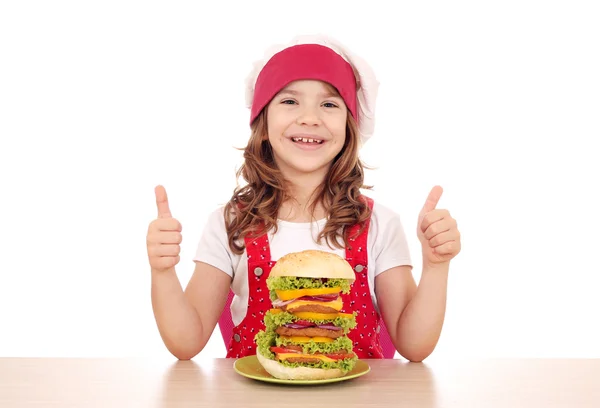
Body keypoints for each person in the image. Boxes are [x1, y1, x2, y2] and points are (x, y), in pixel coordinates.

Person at [146, 34, 461, 362]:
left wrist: (436, 266)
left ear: (349, 128)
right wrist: (162, 271)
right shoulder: (230, 223)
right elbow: (186, 341)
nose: (310, 117)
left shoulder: (380, 224)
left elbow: (415, 345)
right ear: (263, 124)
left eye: (328, 104)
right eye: (289, 101)